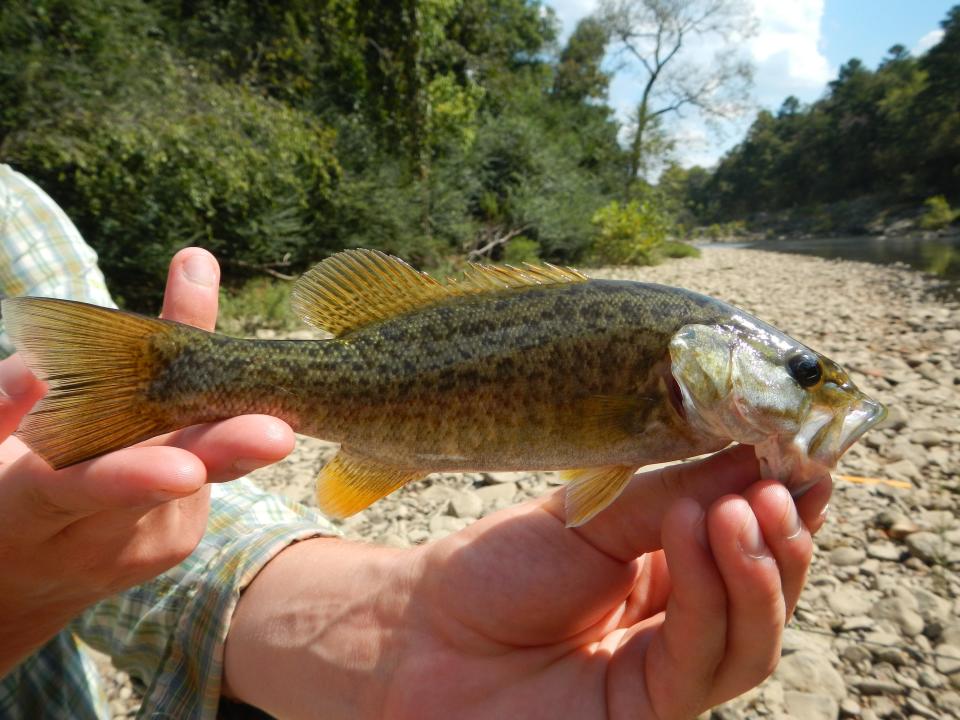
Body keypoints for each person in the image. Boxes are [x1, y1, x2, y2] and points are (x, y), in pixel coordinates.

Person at [0, 164, 831, 719]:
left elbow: (155, 550)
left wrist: (392, 630)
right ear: (700, 360)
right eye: (799, 370)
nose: (811, 391)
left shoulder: (16, 214)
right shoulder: (663, 374)